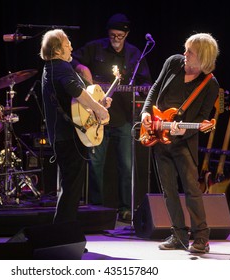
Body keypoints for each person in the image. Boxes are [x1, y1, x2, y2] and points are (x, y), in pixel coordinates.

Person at [140, 33, 220, 253]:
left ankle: (201, 237)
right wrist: (146, 112)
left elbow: (203, 117)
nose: (184, 54)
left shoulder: (210, 83)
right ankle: (178, 235)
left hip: (183, 142)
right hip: (158, 135)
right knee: (168, 190)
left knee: (192, 190)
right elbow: (155, 88)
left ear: (202, 58)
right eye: (185, 49)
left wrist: (184, 129)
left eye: (190, 52)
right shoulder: (173, 63)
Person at [71, 13, 152, 220]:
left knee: (126, 166)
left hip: (122, 118)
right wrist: (83, 70)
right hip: (97, 118)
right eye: (113, 35)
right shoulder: (95, 47)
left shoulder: (135, 54)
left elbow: (146, 83)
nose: (116, 39)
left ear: (127, 34)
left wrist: (143, 90)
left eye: (120, 36)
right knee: (95, 164)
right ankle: (96, 209)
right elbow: (75, 61)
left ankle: (126, 209)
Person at [40, 29, 111, 224]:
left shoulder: (53, 67)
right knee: (71, 188)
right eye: (67, 44)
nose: (71, 46)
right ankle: (63, 234)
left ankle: (65, 233)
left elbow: (75, 99)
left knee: (70, 188)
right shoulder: (60, 67)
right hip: (68, 137)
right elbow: (75, 90)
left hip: (65, 137)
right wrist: (98, 108)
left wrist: (99, 102)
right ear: (57, 50)